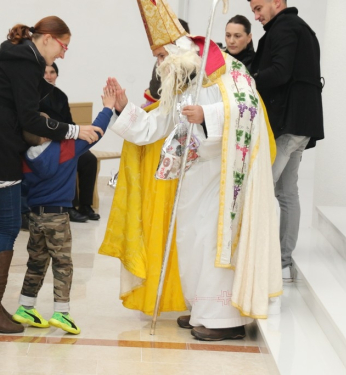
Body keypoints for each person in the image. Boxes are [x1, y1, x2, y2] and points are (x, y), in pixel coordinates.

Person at [100, 0, 282, 341]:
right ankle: (202, 308)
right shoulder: (184, 80)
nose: (158, 66)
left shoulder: (227, 71)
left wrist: (209, 117)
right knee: (191, 240)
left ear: (178, 52)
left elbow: (250, 110)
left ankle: (224, 319)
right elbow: (158, 123)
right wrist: (125, 109)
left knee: (213, 241)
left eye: (160, 57)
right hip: (194, 177)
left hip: (224, 177)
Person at [0, 16, 103, 334]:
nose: (64, 54)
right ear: (48, 38)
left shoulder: (17, 53)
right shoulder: (26, 60)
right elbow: (29, 118)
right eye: (64, 46)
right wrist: (75, 129)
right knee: (8, 225)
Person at [13, 87, 114, 334]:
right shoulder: (64, 149)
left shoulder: (25, 159)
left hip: (35, 217)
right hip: (58, 216)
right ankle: (61, 312)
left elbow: (23, 190)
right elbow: (95, 133)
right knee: (63, 264)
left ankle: (26, 306)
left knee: (36, 263)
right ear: (46, 134)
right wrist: (108, 108)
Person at [248, 0, 324, 281]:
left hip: (290, 123)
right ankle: (282, 261)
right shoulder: (297, 27)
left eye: (258, 8)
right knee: (287, 192)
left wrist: (246, 81)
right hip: (300, 123)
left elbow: (279, 73)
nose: (256, 15)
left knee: (260, 188)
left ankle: (264, 261)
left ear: (277, 3)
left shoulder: (285, 27)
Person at [40, 63, 99, 222]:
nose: (49, 76)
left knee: (88, 159)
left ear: (56, 76)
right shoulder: (32, 95)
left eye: (52, 72)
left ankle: (85, 205)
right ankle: (70, 207)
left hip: (64, 139)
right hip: (44, 143)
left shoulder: (60, 96)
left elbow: (70, 123)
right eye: (45, 72)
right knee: (69, 159)